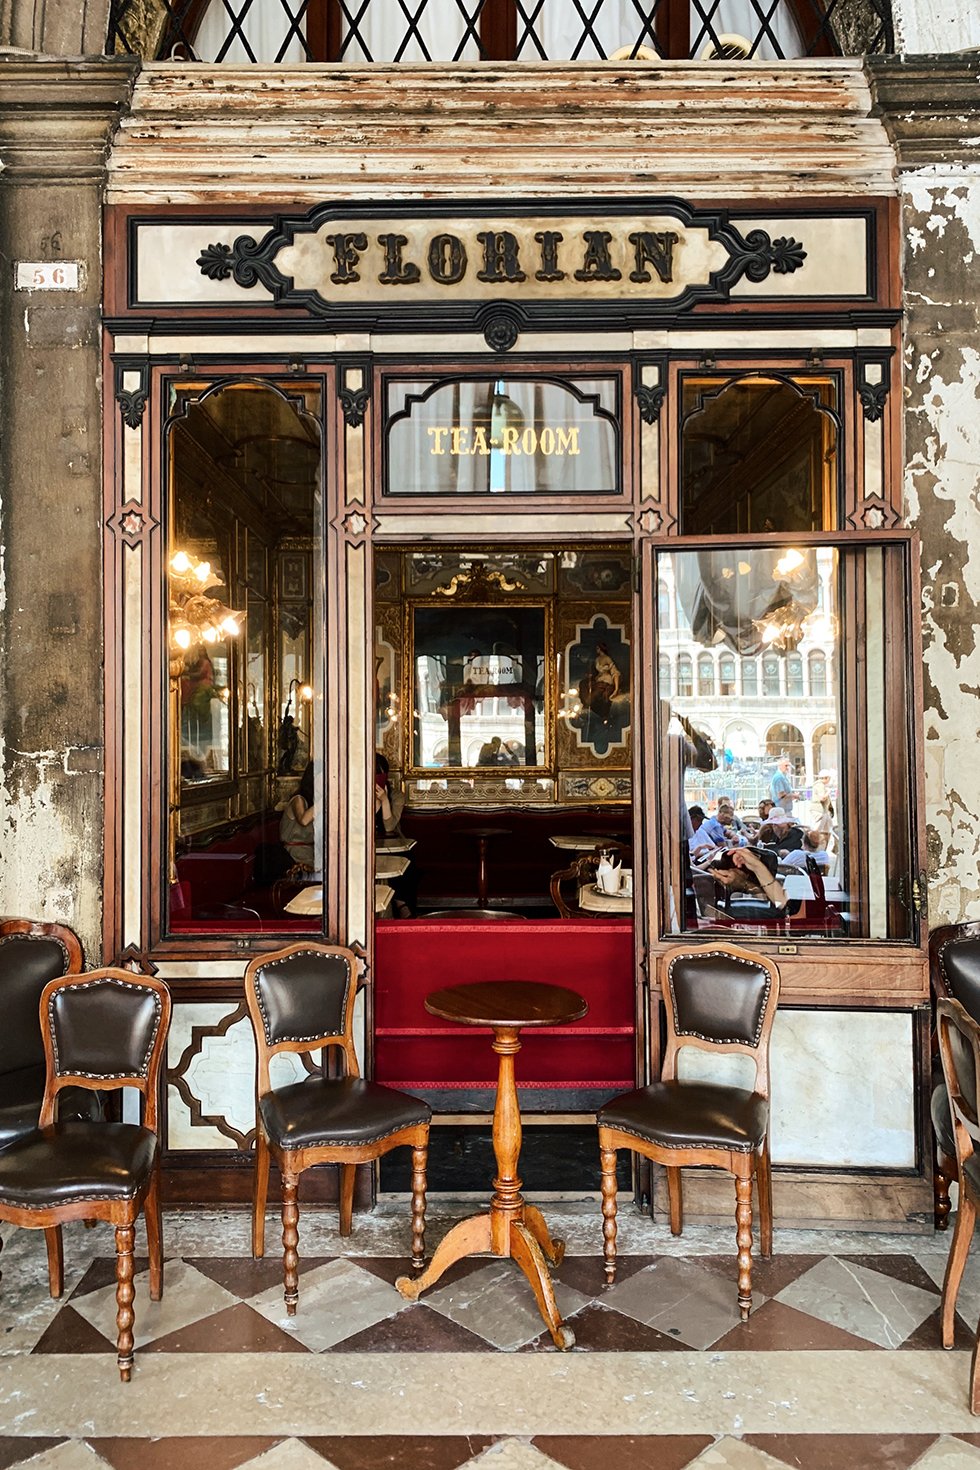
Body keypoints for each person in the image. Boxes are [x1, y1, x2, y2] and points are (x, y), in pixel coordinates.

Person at [279, 760, 317, 873]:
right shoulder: (298, 799)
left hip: (310, 851)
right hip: (296, 854)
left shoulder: (313, 802)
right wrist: (325, 797)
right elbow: (304, 820)